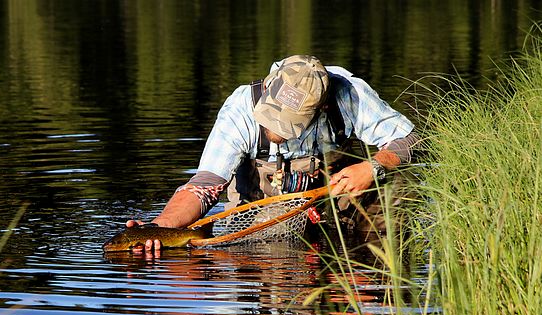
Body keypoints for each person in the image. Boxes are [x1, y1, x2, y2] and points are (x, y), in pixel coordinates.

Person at [127, 55, 419, 251]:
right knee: (280, 225)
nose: (274, 128)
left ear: (323, 108)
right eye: (270, 114)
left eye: (288, 122)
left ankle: (371, 278)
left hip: (336, 207)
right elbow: (205, 185)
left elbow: (413, 140)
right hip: (264, 216)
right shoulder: (240, 108)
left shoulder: (346, 94)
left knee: (397, 191)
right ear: (268, 86)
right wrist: (160, 226)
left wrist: (372, 168)